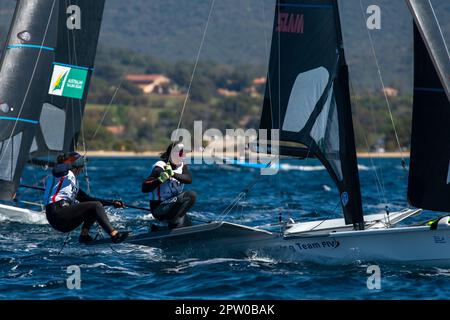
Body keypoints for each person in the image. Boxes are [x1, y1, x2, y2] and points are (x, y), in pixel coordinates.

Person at [44, 152, 128, 244]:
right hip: (56, 213)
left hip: (65, 220)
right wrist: (73, 161)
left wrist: (111, 203)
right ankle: (114, 235)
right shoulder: (61, 173)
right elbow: (56, 169)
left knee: (92, 207)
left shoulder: (74, 182)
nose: (82, 169)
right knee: (95, 206)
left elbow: (88, 199)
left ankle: (84, 235)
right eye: (82, 165)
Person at [142, 143, 196, 229]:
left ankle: (164, 228)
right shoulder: (160, 167)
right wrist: (160, 179)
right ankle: (169, 224)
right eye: (181, 153)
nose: (184, 156)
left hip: (173, 207)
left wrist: (173, 174)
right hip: (159, 209)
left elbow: (189, 179)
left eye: (185, 153)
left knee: (187, 224)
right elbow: (144, 188)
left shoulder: (182, 166)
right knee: (191, 195)